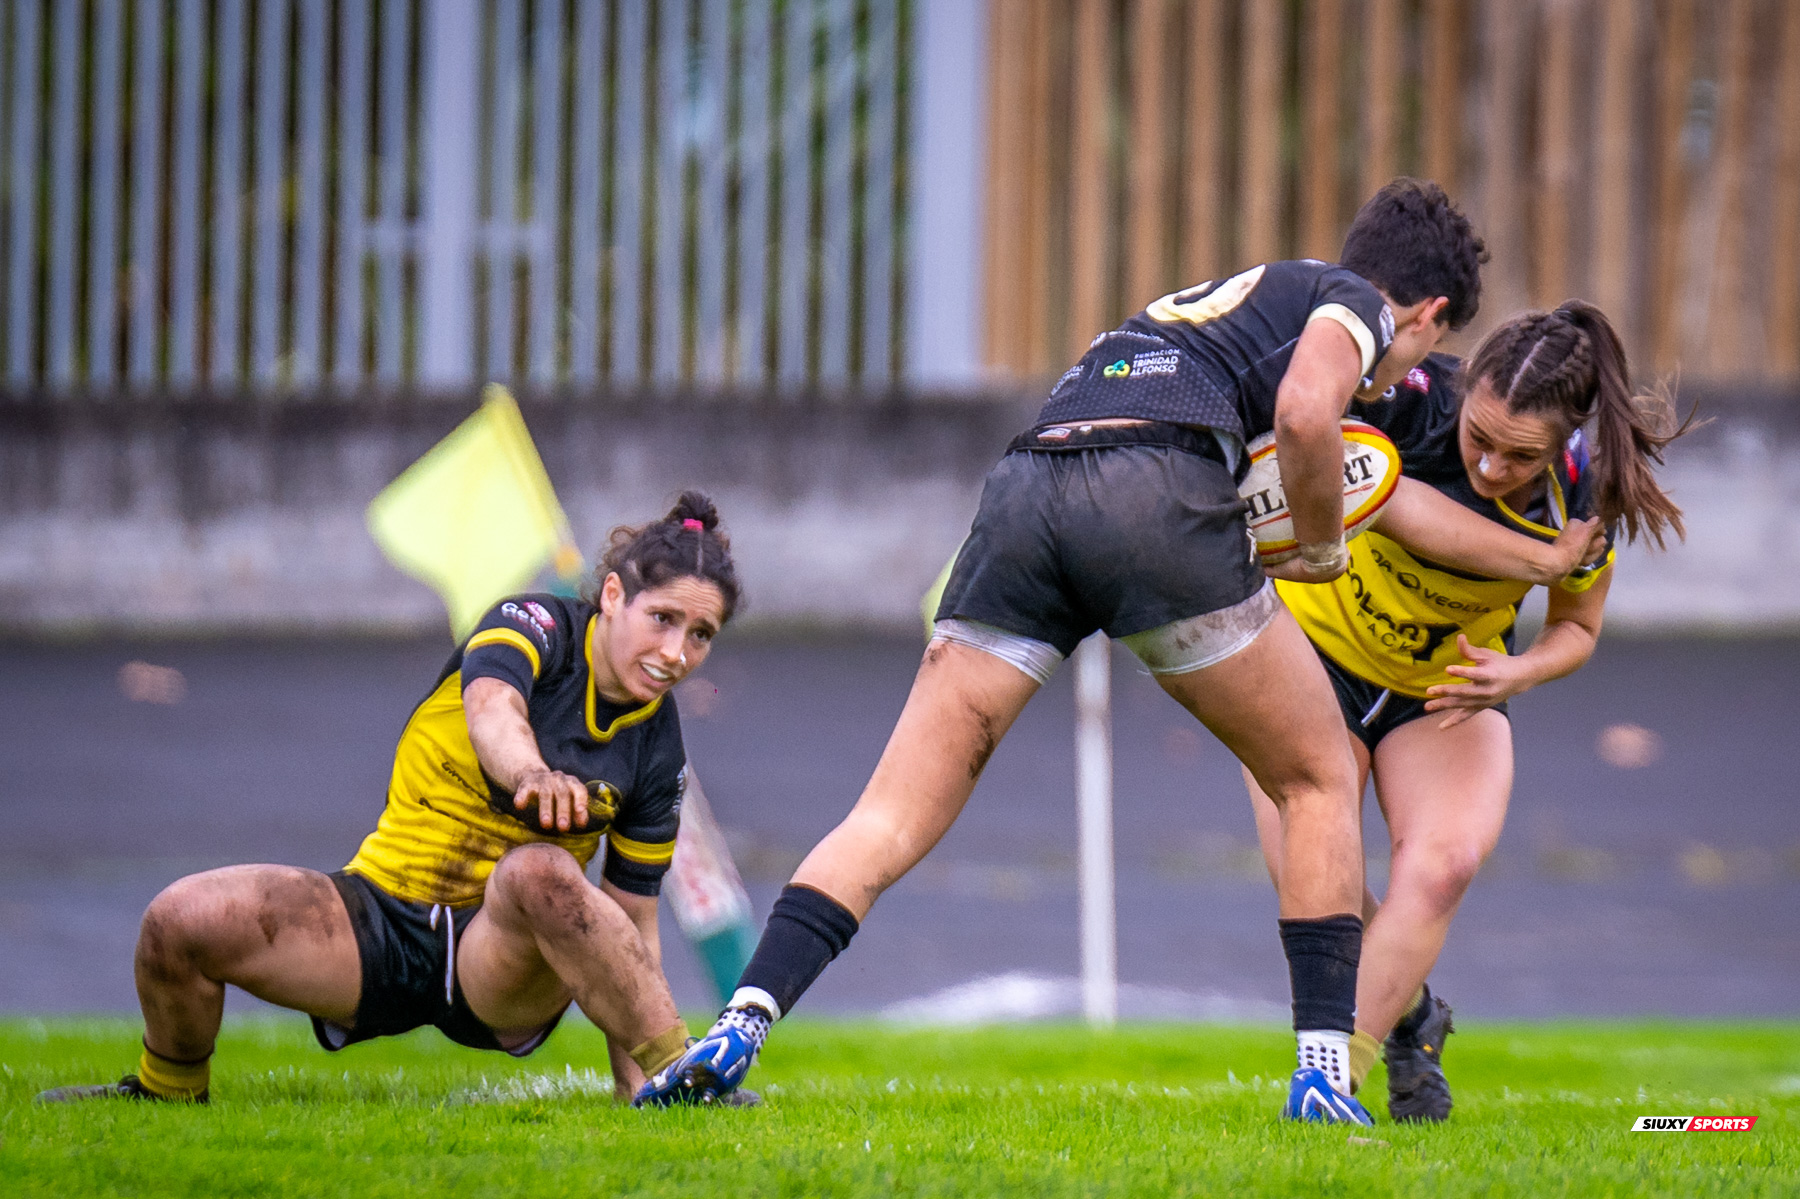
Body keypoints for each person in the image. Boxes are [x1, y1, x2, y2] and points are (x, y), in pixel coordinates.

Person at [639, 179, 1489, 1124]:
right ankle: (1325, 1078)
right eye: (1421, 350)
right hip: (1150, 491)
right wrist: (1323, 547)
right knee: (1320, 774)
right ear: (1428, 314)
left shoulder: (1230, 300)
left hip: (1026, 487)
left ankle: (739, 1023)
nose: (1396, 375)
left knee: (890, 811)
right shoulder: (1357, 301)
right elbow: (1304, 414)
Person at [39, 493, 742, 1106]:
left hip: (500, 965)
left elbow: (630, 919)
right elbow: (492, 707)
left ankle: (683, 1079)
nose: (677, 652)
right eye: (663, 618)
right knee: (181, 918)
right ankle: (167, 1088)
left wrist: (641, 1079)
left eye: (701, 634)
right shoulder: (532, 623)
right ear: (613, 595)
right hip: (377, 917)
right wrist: (530, 773)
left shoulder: (658, 746)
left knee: (541, 870)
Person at [1247, 302, 1690, 1122]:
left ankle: (1331, 1092)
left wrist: (1517, 671)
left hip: (1448, 688)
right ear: (1468, 385)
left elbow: (1577, 629)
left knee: (1444, 864)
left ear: (1563, 443)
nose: (1490, 466)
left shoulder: (1581, 491)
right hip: (1312, 657)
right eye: (1480, 438)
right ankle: (1413, 1012)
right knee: (1315, 870)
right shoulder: (1400, 401)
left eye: (1520, 455)